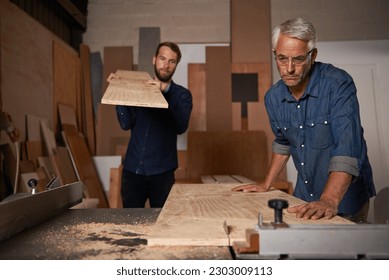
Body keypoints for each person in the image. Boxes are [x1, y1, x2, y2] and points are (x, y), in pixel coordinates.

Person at [233, 18, 375, 222]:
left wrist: (329, 200)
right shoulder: (273, 97)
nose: (289, 68)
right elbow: (283, 143)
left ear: (313, 55)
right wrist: (266, 183)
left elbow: (348, 148)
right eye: (282, 59)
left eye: (298, 59)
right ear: (275, 55)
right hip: (304, 196)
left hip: (344, 199)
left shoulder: (338, 84)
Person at [116, 41, 192, 208]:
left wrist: (163, 92)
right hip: (133, 171)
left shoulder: (182, 95)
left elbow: (181, 126)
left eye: (172, 61)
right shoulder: (138, 89)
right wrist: (119, 90)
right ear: (154, 59)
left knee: (161, 226)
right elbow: (125, 123)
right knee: (131, 225)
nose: (166, 65)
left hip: (162, 175)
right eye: (162, 58)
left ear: (176, 65)